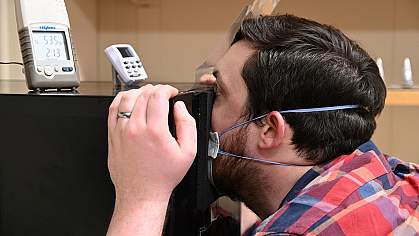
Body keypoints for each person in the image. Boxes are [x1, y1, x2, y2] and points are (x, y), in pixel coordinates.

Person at [106, 15, 419, 236]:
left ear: (270, 129)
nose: (199, 105)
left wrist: (142, 197)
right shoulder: (392, 177)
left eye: (218, 94)